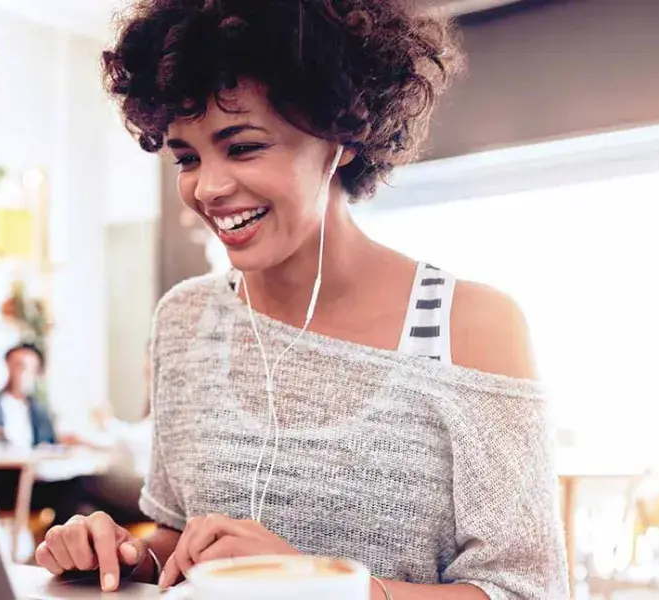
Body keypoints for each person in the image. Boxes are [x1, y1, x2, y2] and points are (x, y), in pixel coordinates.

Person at [35, 1, 568, 598]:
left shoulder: (469, 326)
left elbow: (526, 592)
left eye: (242, 147)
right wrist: (120, 553)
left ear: (341, 137)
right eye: (187, 156)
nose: (207, 188)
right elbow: (181, 541)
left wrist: (320, 585)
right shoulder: (187, 321)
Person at [0, 343, 85, 526]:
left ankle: (51, 547)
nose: (23, 373)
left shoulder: (38, 408)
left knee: (77, 487)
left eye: (30, 368)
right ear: (8, 366)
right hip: (0, 483)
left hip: (34, 479)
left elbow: (49, 443)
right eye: (19, 365)